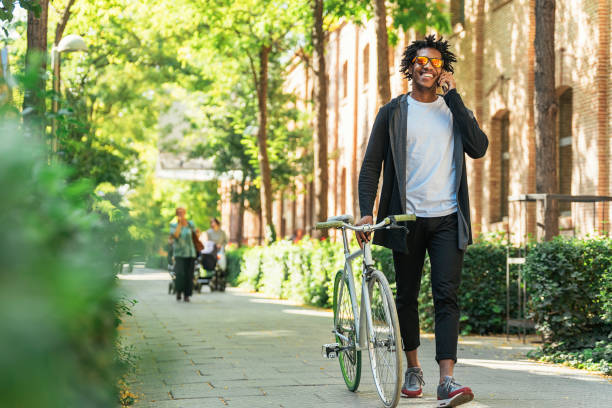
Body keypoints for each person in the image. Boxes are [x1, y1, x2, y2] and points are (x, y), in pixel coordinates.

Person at [356, 35, 488, 407]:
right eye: (420, 61)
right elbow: (371, 166)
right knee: (407, 296)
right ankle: (412, 368)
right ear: (410, 67)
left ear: (442, 70)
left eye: (434, 62)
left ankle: (447, 379)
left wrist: (456, 98)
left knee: (447, 296)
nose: (426, 67)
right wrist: (368, 210)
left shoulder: (453, 110)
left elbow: (478, 148)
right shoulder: (393, 112)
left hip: (448, 217)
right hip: (405, 218)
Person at [170, 207, 197, 302]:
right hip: (179, 253)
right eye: (178, 212)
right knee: (180, 273)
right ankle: (178, 292)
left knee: (189, 275)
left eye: (182, 212)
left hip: (190, 253)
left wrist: (197, 232)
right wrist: (180, 224)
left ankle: (187, 295)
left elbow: (196, 235)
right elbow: (176, 235)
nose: (180, 214)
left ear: (185, 213)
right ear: (176, 214)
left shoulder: (190, 224)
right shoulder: (173, 225)